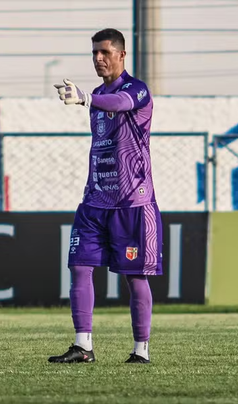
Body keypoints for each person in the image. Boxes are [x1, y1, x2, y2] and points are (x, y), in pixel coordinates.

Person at [48, 28, 163, 364]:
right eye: (95, 53)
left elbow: (120, 103)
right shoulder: (97, 95)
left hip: (133, 202)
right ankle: (83, 346)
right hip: (95, 201)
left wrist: (86, 97)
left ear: (122, 55)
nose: (99, 58)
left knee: (135, 276)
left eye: (105, 52)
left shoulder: (136, 90)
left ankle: (140, 350)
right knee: (79, 266)